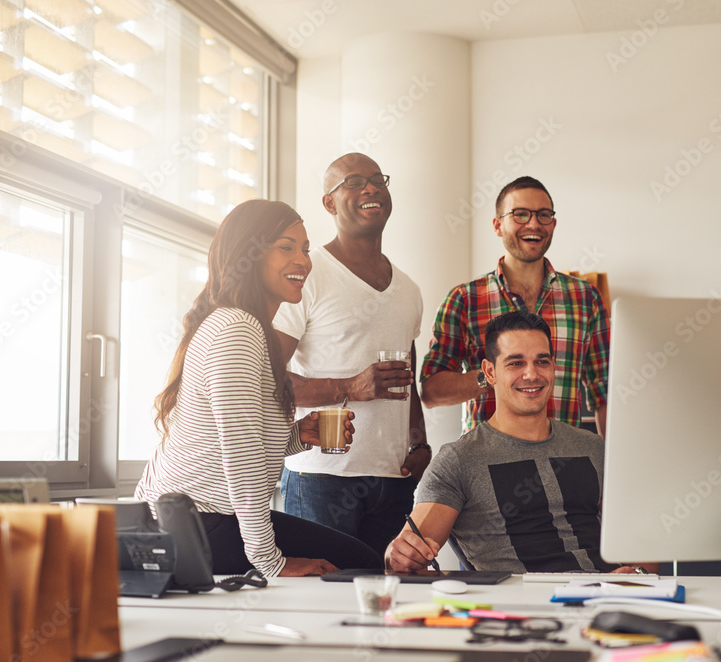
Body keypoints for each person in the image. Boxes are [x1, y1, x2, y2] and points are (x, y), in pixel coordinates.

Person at [135, 200, 383, 577]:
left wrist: (299, 436)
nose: (303, 260)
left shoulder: (246, 327)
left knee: (357, 560)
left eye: (304, 248)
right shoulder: (237, 330)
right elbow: (241, 458)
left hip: (193, 519)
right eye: (286, 247)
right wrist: (270, 563)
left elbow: (235, 440)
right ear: (247, 255)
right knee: (359, 564)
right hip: (196, 524)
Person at [387, 311, 655, 574]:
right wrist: (396, 556)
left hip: (608, 599)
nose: (531, 374)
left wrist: (637, 574)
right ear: (489, 372)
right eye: (516, 363)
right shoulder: (458, 460)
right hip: (524, 609)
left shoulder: (591, 447)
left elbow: (641, 541)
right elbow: (406, 557)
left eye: (542, 361)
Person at [274, 153, 430, 556]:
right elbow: (269, 380)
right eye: (355, 181)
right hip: (320, 477)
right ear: (329, 203)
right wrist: (350, 387)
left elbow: (406, 377)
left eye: (378, 179)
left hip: (394, 479)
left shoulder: (409, 289)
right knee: (317, 603)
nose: (371, 188)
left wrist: (419, 442)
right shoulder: (305, 275)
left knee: (384, 603)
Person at [419, 176, 609, 437]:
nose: (533, 223)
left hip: (565, 466)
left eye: (543, 215)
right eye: (520, 214)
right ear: (498, 225)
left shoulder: (586, 299)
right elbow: (431, 392)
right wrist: (493, 376)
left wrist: (610, 470)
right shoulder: (464, 299)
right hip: (485, 465)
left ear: (553, 224)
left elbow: (606, 394)